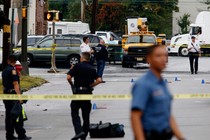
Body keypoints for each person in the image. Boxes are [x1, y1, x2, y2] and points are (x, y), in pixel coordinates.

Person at [130, 45, 185, 140]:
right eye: (158, 56)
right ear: (149, 59)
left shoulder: (162, 83)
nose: (163, 59)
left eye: (165, 56)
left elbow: (168, 114)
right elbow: (135, 116)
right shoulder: (143, 84)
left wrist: (181, 137)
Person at [67, 52, 102, 140]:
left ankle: (79, 131)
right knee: (86, 116)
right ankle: (84, 137)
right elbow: (99, 80)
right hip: (87, 93)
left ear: (81, 58)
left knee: (74, 112)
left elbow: (68, 77)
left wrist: (72, 85)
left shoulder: (77, 66)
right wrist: (91, 86)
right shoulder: (92, 68)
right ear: (89, 58)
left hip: (78, 92)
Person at [2, 55, 31, 140]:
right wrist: (19, 97)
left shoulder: (5, 70)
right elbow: (15, 84)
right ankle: (21, 135)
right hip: (13, 96)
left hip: (6, 95)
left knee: (9, 116)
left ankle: (9, 135)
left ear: (8, 61)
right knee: (18, 116)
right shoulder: (13, 70)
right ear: (15, 62)